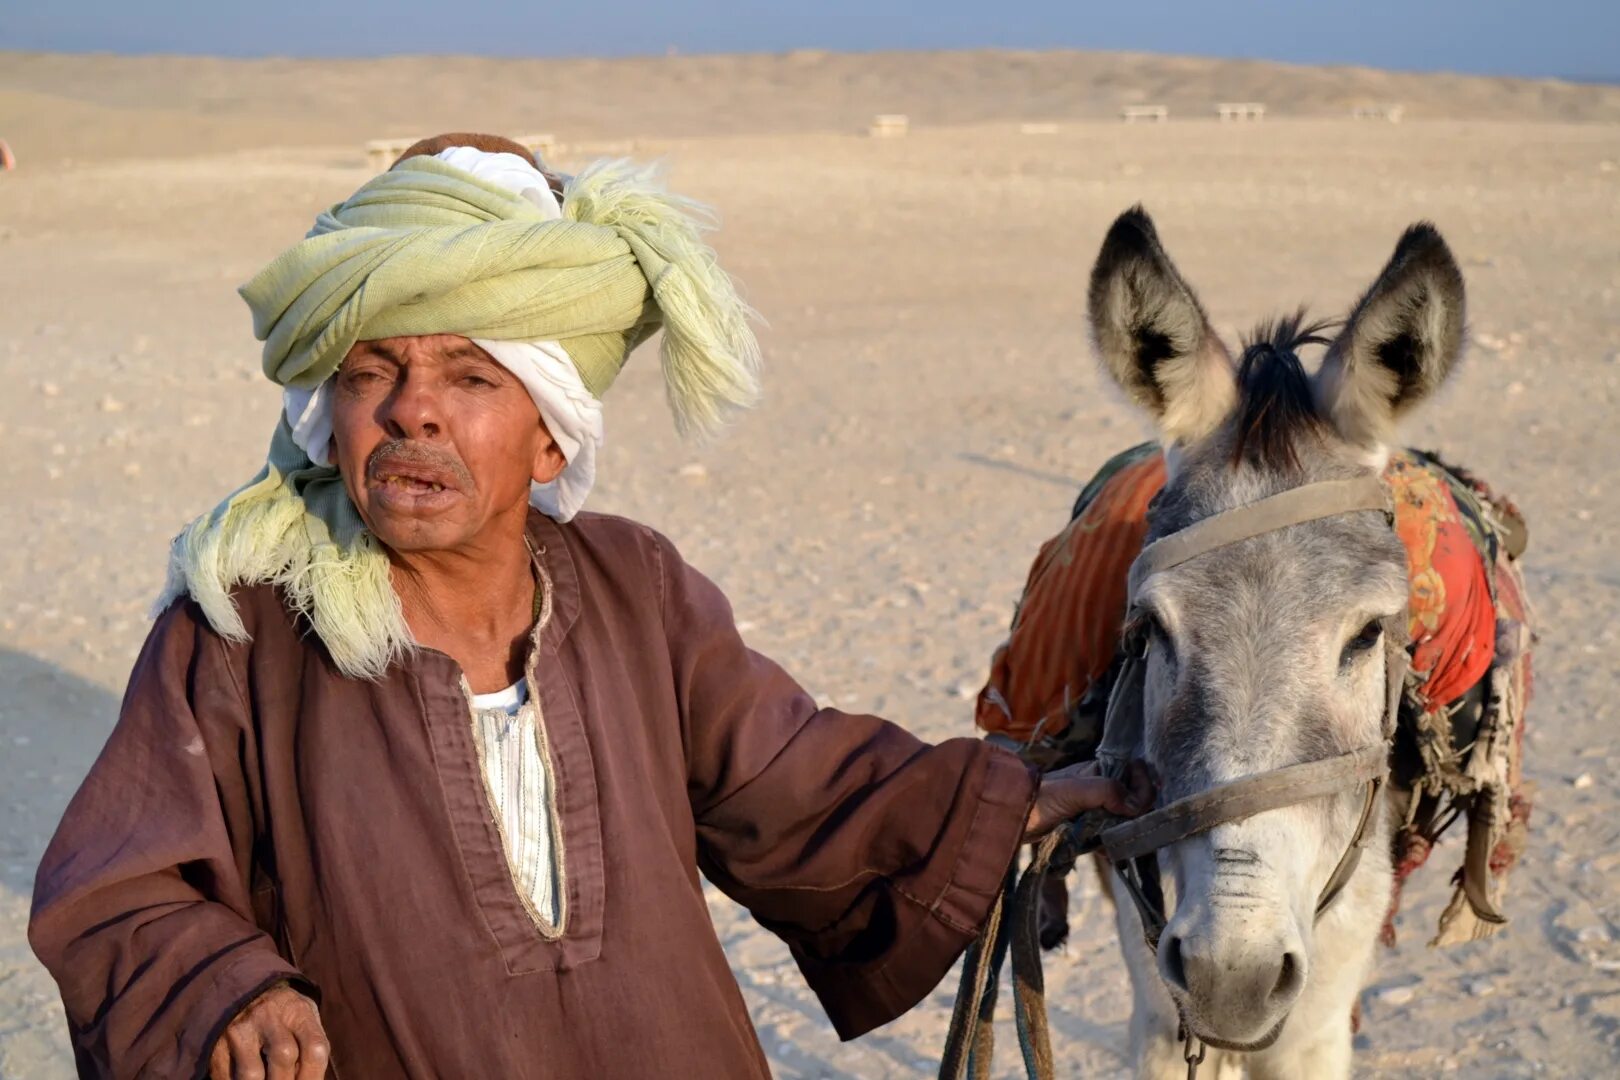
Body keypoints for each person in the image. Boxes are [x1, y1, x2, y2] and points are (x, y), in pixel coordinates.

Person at [29, 133, 1152, 1080]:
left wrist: (1002, 801)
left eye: (472, 377)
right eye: (375, 372)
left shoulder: (633, 590)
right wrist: (229, 991)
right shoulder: (243, 631)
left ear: (552, 432)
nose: (413, 412)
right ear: (332, 410)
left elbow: (792, 784)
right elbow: (122, 891)